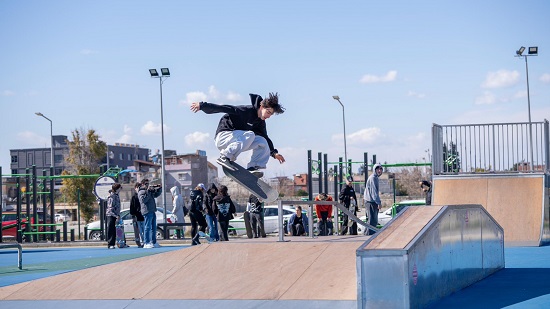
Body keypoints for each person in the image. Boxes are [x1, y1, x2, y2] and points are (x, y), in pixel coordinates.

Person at [190, 93, 286, 178]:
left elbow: (265, 137)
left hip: (237, 141)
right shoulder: (245, 110)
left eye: (271, 114)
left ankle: (253, 168)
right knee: (250, 134)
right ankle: (224, 157)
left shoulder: (260, 122)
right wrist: (202, 106)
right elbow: (223, 108)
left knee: (262, 141)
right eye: (268, 112)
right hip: (223, 137)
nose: (268, 116)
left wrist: (274, 153)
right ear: (261, 107)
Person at [138, 179, 162, 248]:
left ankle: (153, 242)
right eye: (145, 184)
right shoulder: (141, 192)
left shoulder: (149, 191)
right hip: (147, 211)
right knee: (147, 227)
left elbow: (156, 195)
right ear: (142, 184)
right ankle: (146, 242)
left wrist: (159, 189)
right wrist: (148, 191)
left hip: (152, 210)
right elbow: (143, 200)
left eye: (148, 183)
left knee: (154, 227)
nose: (147, 185)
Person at [364, 163, 383, 235]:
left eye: (381, 169)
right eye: (378, 169)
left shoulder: (375, 178)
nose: (379, 171)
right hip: (370, 201)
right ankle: (368, 236)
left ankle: (366, 235)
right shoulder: (373, 178)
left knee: (372, 220)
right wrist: (378, 202)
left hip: (372, 201)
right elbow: (374, 192)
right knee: (372, 220)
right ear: (375, 170)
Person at [106, 183, 122, 249]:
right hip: (111, 215)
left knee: (116, 229)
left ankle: (118, 242)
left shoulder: (116, 195)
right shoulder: (112, 197)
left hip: (115, 215)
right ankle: (110, 243)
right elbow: (110, 208)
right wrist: (115, 215)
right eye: (120, 188)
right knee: (111, 229)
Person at [129, 182, 144, 246]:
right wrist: (133, 214)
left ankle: (144, 241)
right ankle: (139, 242)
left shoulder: (142, 195)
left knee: (143, 229)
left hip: (142, 215)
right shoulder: (134, 197)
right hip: (137, 216)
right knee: (138, 230)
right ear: (135, 188)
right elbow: (132, 206)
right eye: (138, 187)